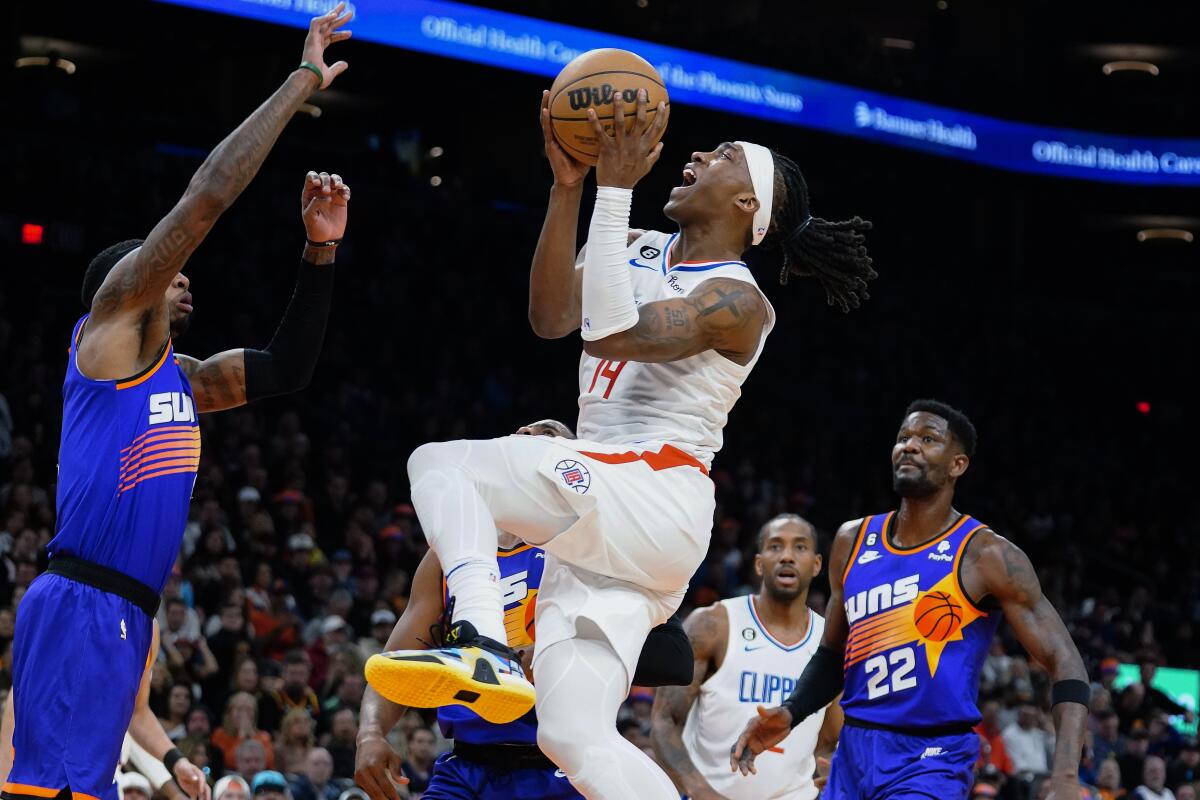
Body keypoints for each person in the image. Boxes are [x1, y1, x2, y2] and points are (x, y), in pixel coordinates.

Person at [366, 85, 876, 799]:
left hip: (652, 490)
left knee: (445, 465)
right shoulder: (634, 245)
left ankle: (480, 640)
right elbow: (550, 317)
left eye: (723, 155)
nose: (698, 152)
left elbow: (610, 331)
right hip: (610, 518)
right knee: (570, 737)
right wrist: (569, 187)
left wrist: (612, 193)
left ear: (748, 206)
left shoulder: (739, 301)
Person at [5, 9, 352, 799]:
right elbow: (205, 199)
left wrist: (320, 250)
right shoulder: (108, 334)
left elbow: (286, 368)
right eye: (163, 268)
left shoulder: (184, 379)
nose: (182, 274)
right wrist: (299, 84)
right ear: (126, 287)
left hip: (129, 614)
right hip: (80, 599)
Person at [732, 400, 1088, 800]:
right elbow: (833, 654)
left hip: (932, 755)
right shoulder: (852, 541)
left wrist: (1066, 777)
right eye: (903, 438)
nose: (910, 446)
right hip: (855, 751)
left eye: (928, 439)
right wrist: (791, 711)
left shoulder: (985, 555)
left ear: (958, 465)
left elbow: (1066, 661)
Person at [357, 422, 693, 800]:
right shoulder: (444, 555)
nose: (529, 432)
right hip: (468, 767)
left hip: (562, 767)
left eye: (549, 434)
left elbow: (676, 660)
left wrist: (565, 649)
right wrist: (370, 734)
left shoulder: (596, 549)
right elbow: (397, 657)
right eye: (523, 433)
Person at [651, 514, 843, 799]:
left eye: (800, 547)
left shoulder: (832, 642)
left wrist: (831, 772)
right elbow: (664, 720)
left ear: (816, 565)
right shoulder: (714, 624)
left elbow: (827, 741)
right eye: (776, 546)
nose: (787, 556)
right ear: (758, 563)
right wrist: (700, 792)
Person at [1, 621, 209, 800]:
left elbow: (137, 713)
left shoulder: (147, 624)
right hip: (45, 779)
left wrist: (176, 760)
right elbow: (20, 706)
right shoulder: (66, 601)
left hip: (103, 782)